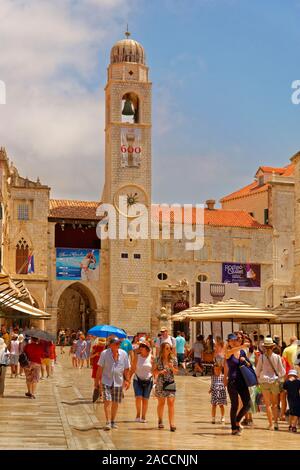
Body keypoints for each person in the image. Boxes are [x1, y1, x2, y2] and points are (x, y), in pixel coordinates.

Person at [95, 337, 130, 431]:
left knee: (115, 402)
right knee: (107, 400)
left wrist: (127, 380)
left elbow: (126, 368)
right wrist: (96, 382)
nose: (117, 345)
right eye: (115, 343)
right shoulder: (104, 353)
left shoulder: (124, 354)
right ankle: (108, 422)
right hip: (106, 381)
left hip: (118, 382)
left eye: (118, 343)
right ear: (110, 345)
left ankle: (113, 421)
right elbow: (100, 368)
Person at [224, 333, 251, 435]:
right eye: (231, 340)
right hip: (233, 382)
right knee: (234, 405)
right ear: (229, 342)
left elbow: (249, 365)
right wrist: (242, 346)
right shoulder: (228, 352)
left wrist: (245, 361)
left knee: (248, 404)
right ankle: (233, 428)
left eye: (235, 340)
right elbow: (230, 353)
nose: (233, 342)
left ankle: (237, 420)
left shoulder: (242, 352)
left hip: (242, 381)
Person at [256, 337, 286, 430]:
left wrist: (258, 378)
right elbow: (282, 371)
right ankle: (276, 423)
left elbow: (257, 371)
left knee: (267, 404)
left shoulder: (261, 357)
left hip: (264, 382)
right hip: (274, 382)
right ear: (273, 347)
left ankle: (270, 424)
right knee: (275, 404)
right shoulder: (277, 357)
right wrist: (278, 378)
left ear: (264, 347)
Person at [153, 342, 178, 432]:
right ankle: (160, 420)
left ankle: (172, 423)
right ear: (163, 349)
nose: (169, 350)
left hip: (170, 382)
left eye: (170, 348)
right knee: (161, 403)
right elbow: (154, 371)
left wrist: (172, 368)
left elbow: (176, 372)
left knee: (171, 403)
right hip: (160, 383)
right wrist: (160, 372)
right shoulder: (157, 359)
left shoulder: (174, 359)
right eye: (167, 348)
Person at [130, 340, 154, 423]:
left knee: (145, 399)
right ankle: (137, 415)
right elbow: (133, 368)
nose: (140, 348)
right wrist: (127, 380)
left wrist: (156, 381)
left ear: (147, 348)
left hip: (148, 380)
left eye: (142, 346)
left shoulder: (151, 357)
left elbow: (154, 370)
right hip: (137, 379)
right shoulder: (137, 357)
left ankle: (143, 417)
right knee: (138, 398)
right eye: (140, 346)